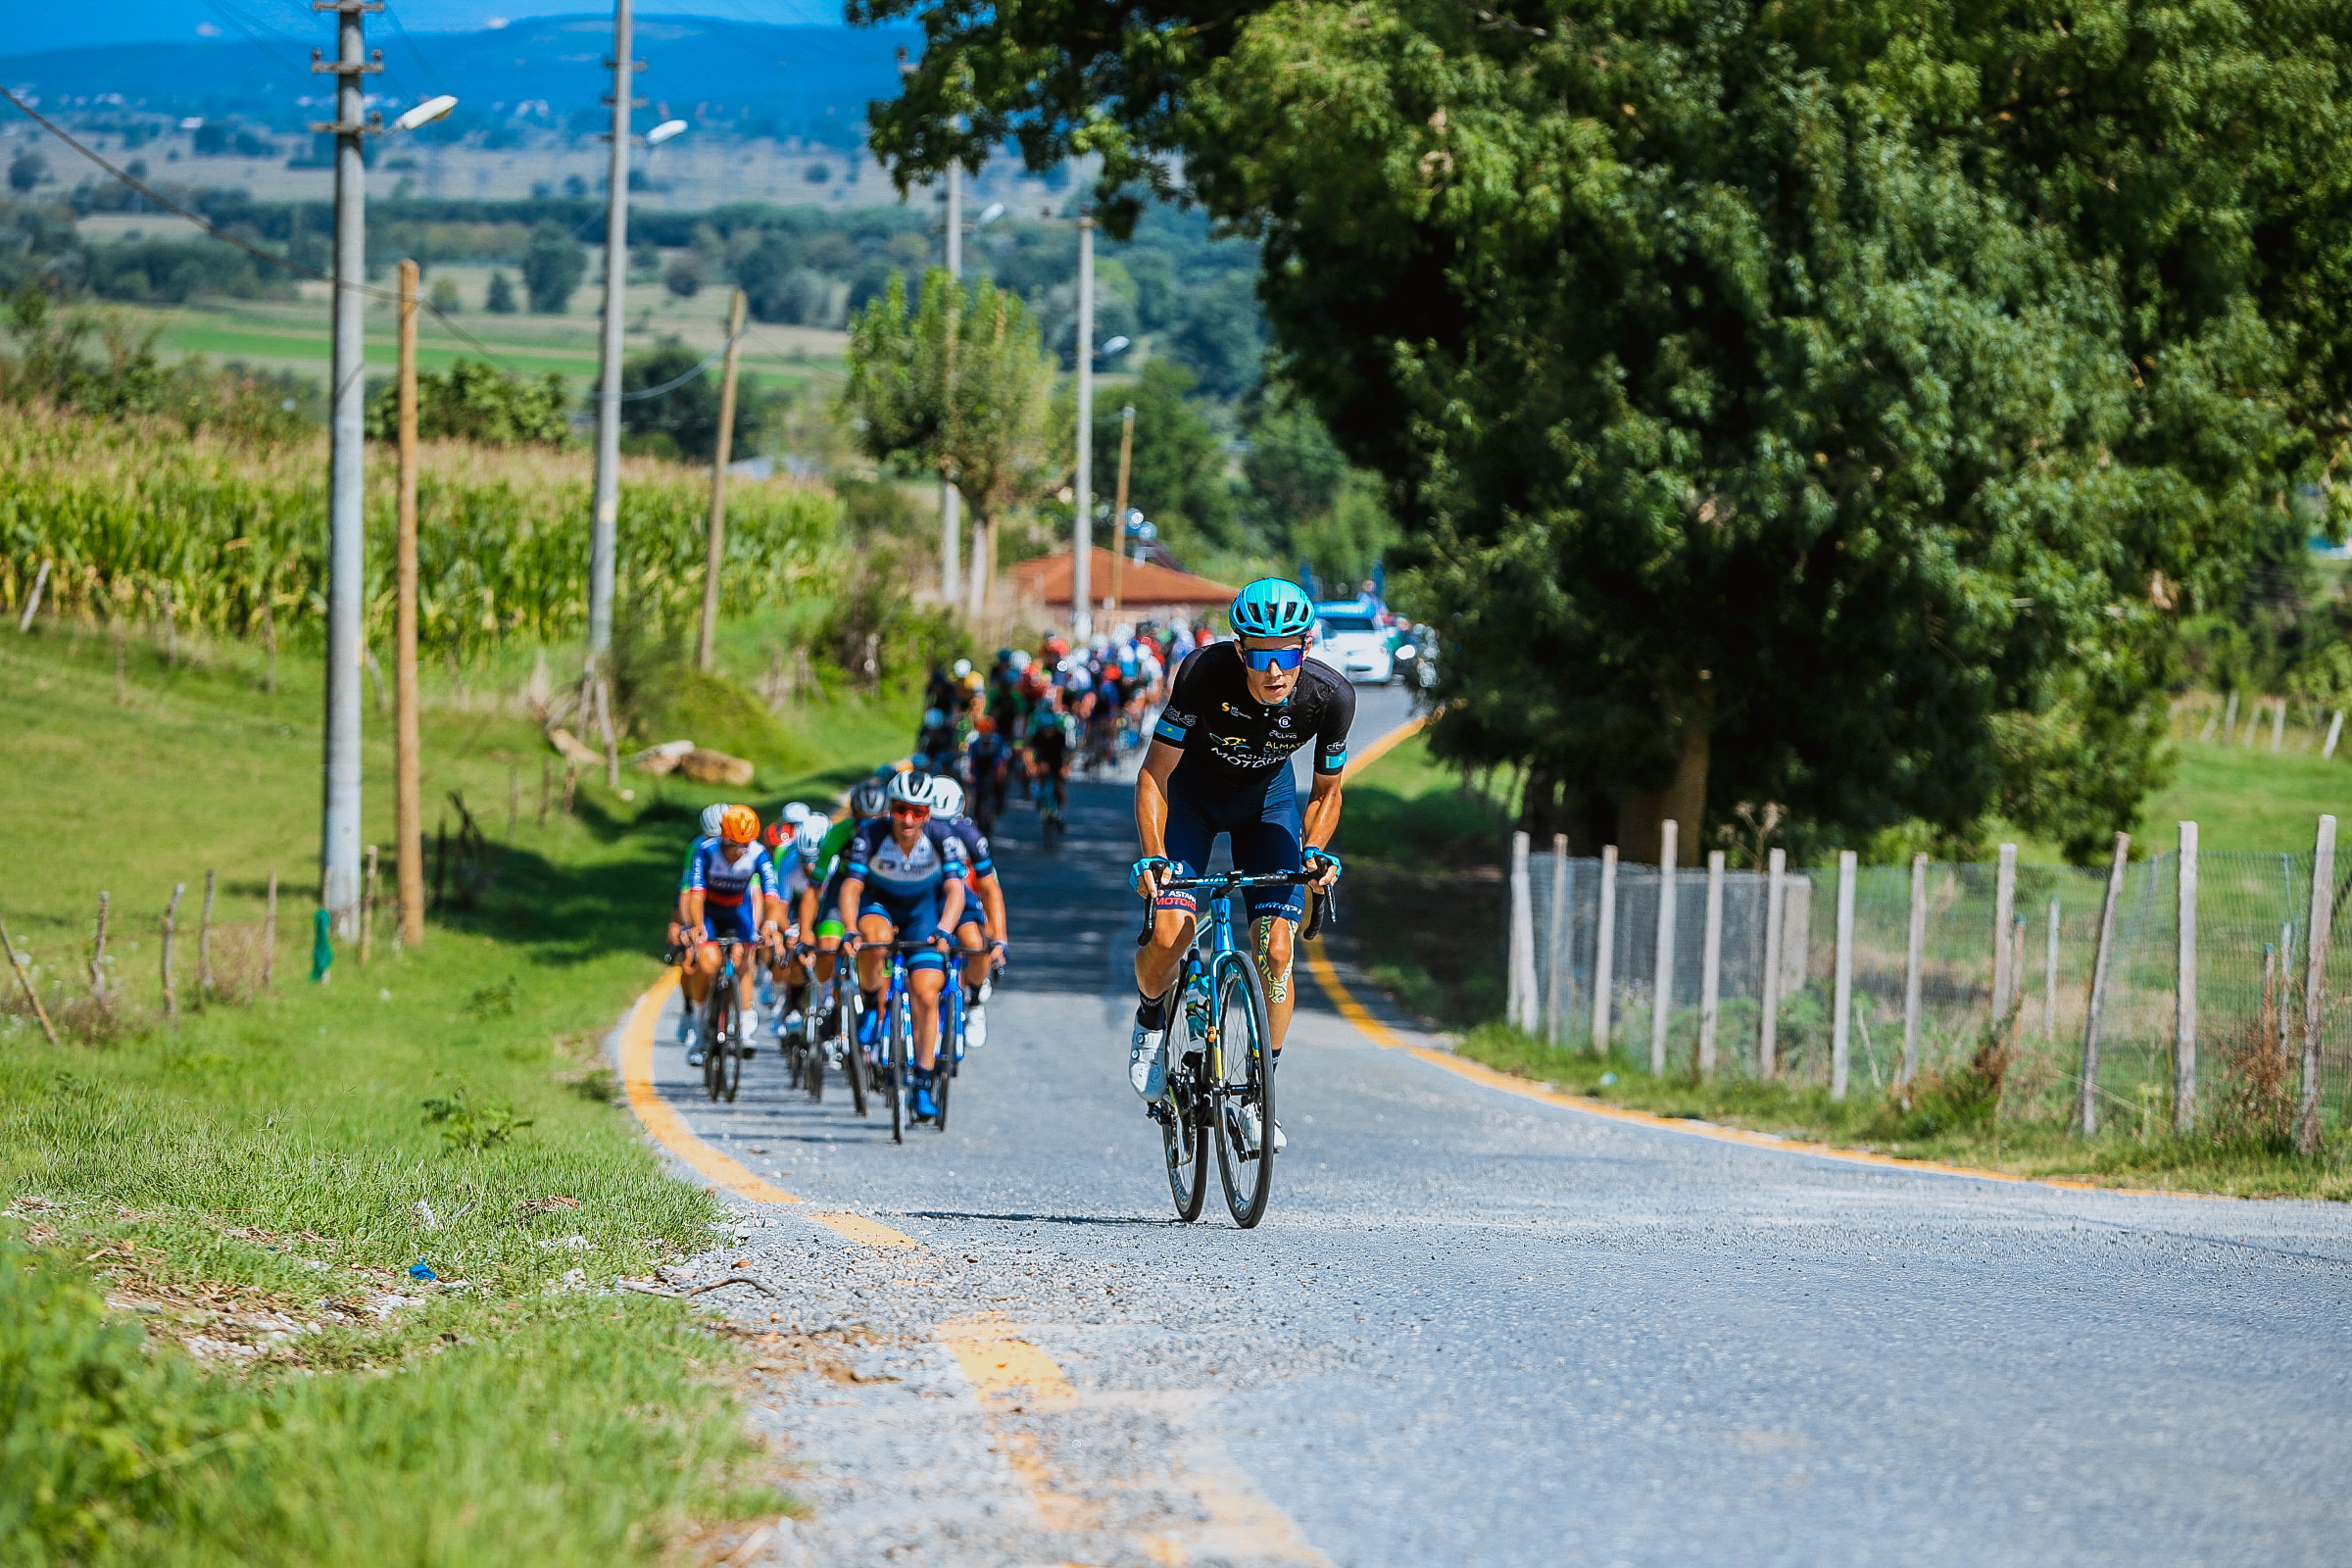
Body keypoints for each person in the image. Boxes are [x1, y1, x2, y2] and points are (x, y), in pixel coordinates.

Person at [1128, 578, 1352, 1155]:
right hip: (1192, 801)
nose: (1275, 671)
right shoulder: (1203, 673)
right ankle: (1153, 1015)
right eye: (1260, 654)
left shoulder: (1330, 698)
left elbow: (1327, 792)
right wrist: (1154, 855)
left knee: (1278, 950)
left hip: (1266, 804)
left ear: (1306, 648)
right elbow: (1154, 775)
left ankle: (1259, 1095)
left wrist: (1315, 852)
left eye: (1287, 653)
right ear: (1239, 650)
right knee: (1173, 930)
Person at [837, 771, 968, 1123]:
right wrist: (850, 929)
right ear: (890, 809)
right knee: (874, 940)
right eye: (900, 810)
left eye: (917, 812)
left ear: (928, 813)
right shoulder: (871, 835)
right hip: (880, 904)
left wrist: (944, 929)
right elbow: (851, 888)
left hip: (923, 913)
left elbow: (956, 891)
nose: (908, 819)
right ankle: (868, 1002)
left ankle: (923, 1084)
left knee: (926, 992)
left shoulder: (944, 837)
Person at [679, 806, 784, 1068]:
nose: (740, 851)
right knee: (706, 961)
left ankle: (746, 1020)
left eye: (744, 845)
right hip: (711, 913)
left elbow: (772, 894)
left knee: (743, 956)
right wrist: (696, 926)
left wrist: (770, 922)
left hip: (739, 910)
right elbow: (696, 894)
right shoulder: (706, 852)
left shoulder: (758, 853)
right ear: (723, 839)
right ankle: (700, 1022)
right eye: (734, 845)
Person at [925, 773, 1006, 1048]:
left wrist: (999, 938)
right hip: (923, 899)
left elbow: (990, 889)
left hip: (960, 899)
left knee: (975, 943)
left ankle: (974, 1000)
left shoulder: (970, 835)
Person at [807, 778, 887, 1051]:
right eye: (862, 820)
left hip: (878, 890)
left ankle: (872, 1001)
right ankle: (825, 997)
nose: (867, 827)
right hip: (842, 890)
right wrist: (807, 928)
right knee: (827, 946)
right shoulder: (840, 833)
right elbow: (814, 887)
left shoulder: (892, 834)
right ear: (853, 817)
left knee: (877, 943)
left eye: (874, 820)